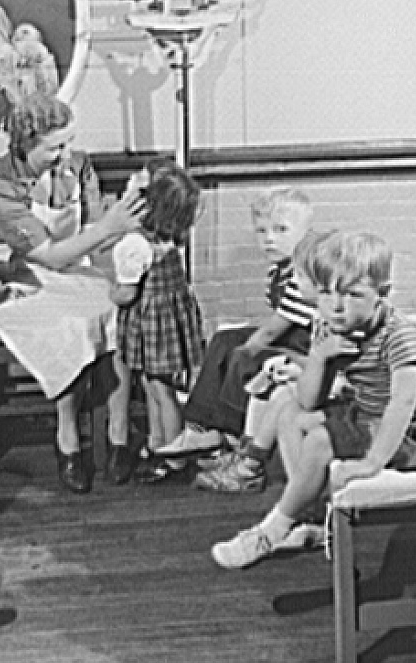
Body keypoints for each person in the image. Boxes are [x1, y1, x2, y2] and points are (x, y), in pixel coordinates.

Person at [211, 230, 416, 569]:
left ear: (383, 294)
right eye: (324, 292)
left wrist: (372, 463)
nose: (335, 306)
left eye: (352, 294)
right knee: (289, 412)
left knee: (320, 439)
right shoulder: (330, 327)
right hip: (367, 415)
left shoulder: (401, 335)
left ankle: (271, 530)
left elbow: (402, 405)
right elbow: (307, 403)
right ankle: (310, 515)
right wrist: (320, 358)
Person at [0, 92, 147, 493]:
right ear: (25, 143)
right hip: (24, 282)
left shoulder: (79, 166)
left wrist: (127, 211)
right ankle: (67, 437)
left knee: (120, 311)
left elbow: (96, 236)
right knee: (68, 327)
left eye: (67, 143)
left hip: (78, 272)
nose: (64, 154)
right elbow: (50, 257)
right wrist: (108, 227)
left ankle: (118, 433)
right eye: (54, 147)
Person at [159, 186, 316, 469]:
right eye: (262, 231)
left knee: (243, 356)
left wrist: (250, 346)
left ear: (305, 232)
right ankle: (200, 428)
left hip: (306, 348)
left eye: (281, 230)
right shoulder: (278, 271)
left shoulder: (304, 277)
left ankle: (231, 432)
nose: (269, 239)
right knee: (222, 340)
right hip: (290, 338)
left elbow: (271, 332)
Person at [193, 229, 329, 495]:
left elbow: (322, 363)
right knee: (228, 343)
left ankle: (246, 459)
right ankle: (213, 433)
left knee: (251, 366)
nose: (295, 282)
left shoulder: (330, 315)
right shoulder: (282, 280)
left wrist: (265, 354)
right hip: (305, 359)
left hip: (310, 364)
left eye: (300, 277)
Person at [110, 158, 205, 484]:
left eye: (133, 187)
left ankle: (174, 456)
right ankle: (157, 443)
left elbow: (125, 294)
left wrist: (111, 293)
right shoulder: (168, 236)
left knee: (161, 392)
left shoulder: (134, 245)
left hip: (152, 325)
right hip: (170, 321)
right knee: (156, 387)